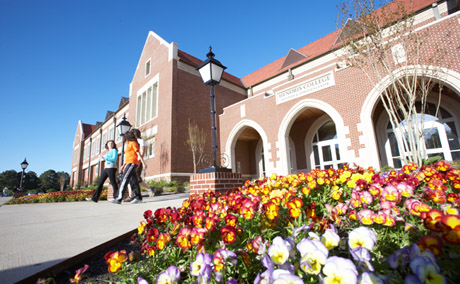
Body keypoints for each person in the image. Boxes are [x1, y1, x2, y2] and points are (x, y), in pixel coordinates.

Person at [110, 130, 145, 204]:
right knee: (134, 180)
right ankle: (138, 198)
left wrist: (143, 163)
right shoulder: (129, 143)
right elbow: (128, 155)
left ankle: (119, 198)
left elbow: (137, 153)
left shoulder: (134, 143)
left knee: (124, 179)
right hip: (129, 163)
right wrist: (124, 165)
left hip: (132, 163)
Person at [130, 128, 155, 198]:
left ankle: (149, 189)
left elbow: (142, 152)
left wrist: (140, 161)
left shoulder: (141, 141)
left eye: (133, 133)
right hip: (131, 162)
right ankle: (131, 195)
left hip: (138, 161)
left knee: (137, 178)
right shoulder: (132, 142)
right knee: (131, 178)